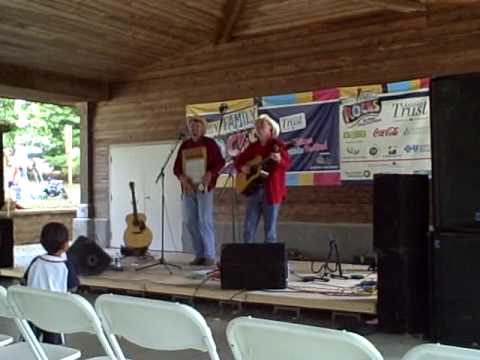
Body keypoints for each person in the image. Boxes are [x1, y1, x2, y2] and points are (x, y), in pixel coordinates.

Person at [174, 116, 225, 266]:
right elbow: (176, 167)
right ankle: (199, 254)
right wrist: (182, 177)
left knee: (204, 221)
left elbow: (220, 162)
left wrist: (210, 173)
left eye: (197, 126)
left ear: (203, 128)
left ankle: (209, 255)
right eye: (192, 126)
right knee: (190, 221)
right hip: (189, 188)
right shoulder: (185, 145)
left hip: (204, 187)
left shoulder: (210, 143)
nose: (194, 128)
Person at [235, 114, 290, 243]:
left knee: (269, 230)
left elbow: (286, 164)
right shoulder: (253, 147)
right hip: (254, 191)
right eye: (257, 125)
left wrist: (280, 159)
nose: (259, 128)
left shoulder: (277, 145)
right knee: (248, 227)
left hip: (272, 192)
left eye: (262, 125)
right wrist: (242, 167)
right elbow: (238, 161)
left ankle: (270, 262)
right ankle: (248, 259)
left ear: (270, 128)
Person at [23, 222, 79, 345]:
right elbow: (73, 287)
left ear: (42, 243)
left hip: (31, 311)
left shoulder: (36, 261)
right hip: (54, 314)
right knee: (54, 345)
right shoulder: (66, 265)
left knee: (29, 342)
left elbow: (25, 280)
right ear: (65, 245)